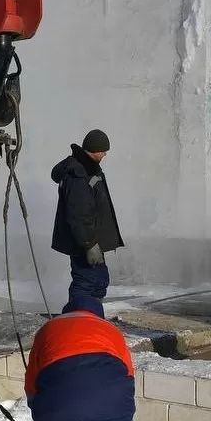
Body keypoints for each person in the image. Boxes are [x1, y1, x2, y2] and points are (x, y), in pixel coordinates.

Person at [50, 129, 124, 306]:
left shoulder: (88, 168)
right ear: (95, 149)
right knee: (87, 282)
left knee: (97, 281)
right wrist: (89, 245)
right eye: (104, 150)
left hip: (90, 241)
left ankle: (88, 320)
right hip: (84, 244)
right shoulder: (79, 174)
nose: (106, 154)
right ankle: (80, 322)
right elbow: (79, 214)